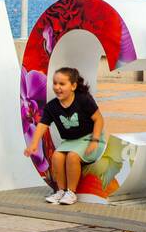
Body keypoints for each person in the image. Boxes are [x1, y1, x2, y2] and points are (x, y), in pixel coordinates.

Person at [23, 67, 107, 205]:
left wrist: (95, 140)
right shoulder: (52, 106)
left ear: (73, 86)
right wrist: (33, 144)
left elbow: (99, 119)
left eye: (62, 84)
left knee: (73, 156)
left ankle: (71, 193)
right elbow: (42, 125)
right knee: (56, 156)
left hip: (89, 138)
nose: (57, 87)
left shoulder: (84, 100)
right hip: (70, 141)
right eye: (55, 83)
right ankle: (61, 191)